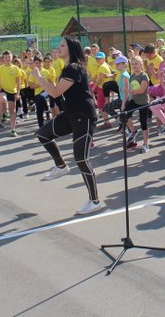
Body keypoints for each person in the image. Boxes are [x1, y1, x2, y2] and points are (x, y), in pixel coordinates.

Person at [32, 36, 105, 216]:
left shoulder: (74, 68)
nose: (58, 48)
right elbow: (58, 93)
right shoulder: (67, 68)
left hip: (84, 116)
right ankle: (61, 165)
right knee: (43, 134)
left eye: (62, 45)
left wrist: (39, 77)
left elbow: (55, 92)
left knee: (81, 159)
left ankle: (94, 201)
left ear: (71, 49)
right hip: (70, 115)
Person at [121, 56, 151, 152]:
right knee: (124, 115)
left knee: (143, 124)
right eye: (132, 64)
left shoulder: (144, 76)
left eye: (136, 63)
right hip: (134, 101)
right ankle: (133, 131)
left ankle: (146, 145)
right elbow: (133, 91)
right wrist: (125, 102)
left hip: (143, 102)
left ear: (141, 64)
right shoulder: (132, 76)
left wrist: (128, 90)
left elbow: (141, 90)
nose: (134, 66)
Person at [0, 50, 22, 137]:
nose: (7, 59)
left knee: (13, 112)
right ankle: (4, 113)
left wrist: (18, 93)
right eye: (6, 57)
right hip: (3, 90)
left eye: (9, 57)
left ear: (12, 58)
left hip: (12, 92)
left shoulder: (16, 69)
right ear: (3, 58)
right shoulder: (0, 68)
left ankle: (13, 129)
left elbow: (18, 83)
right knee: (2, 99)